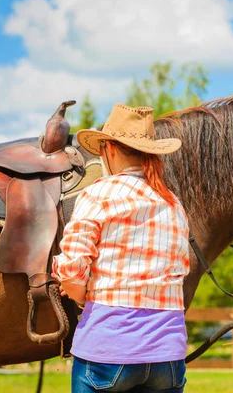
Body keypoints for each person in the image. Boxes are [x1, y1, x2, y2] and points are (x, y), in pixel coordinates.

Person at [52, 103, 190, 392]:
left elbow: (72, 272)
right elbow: (179, 272)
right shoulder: (174, 204)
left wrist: (81, 295)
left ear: (110, 149)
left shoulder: (99, 194)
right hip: (168, 357)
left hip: (108, 352)